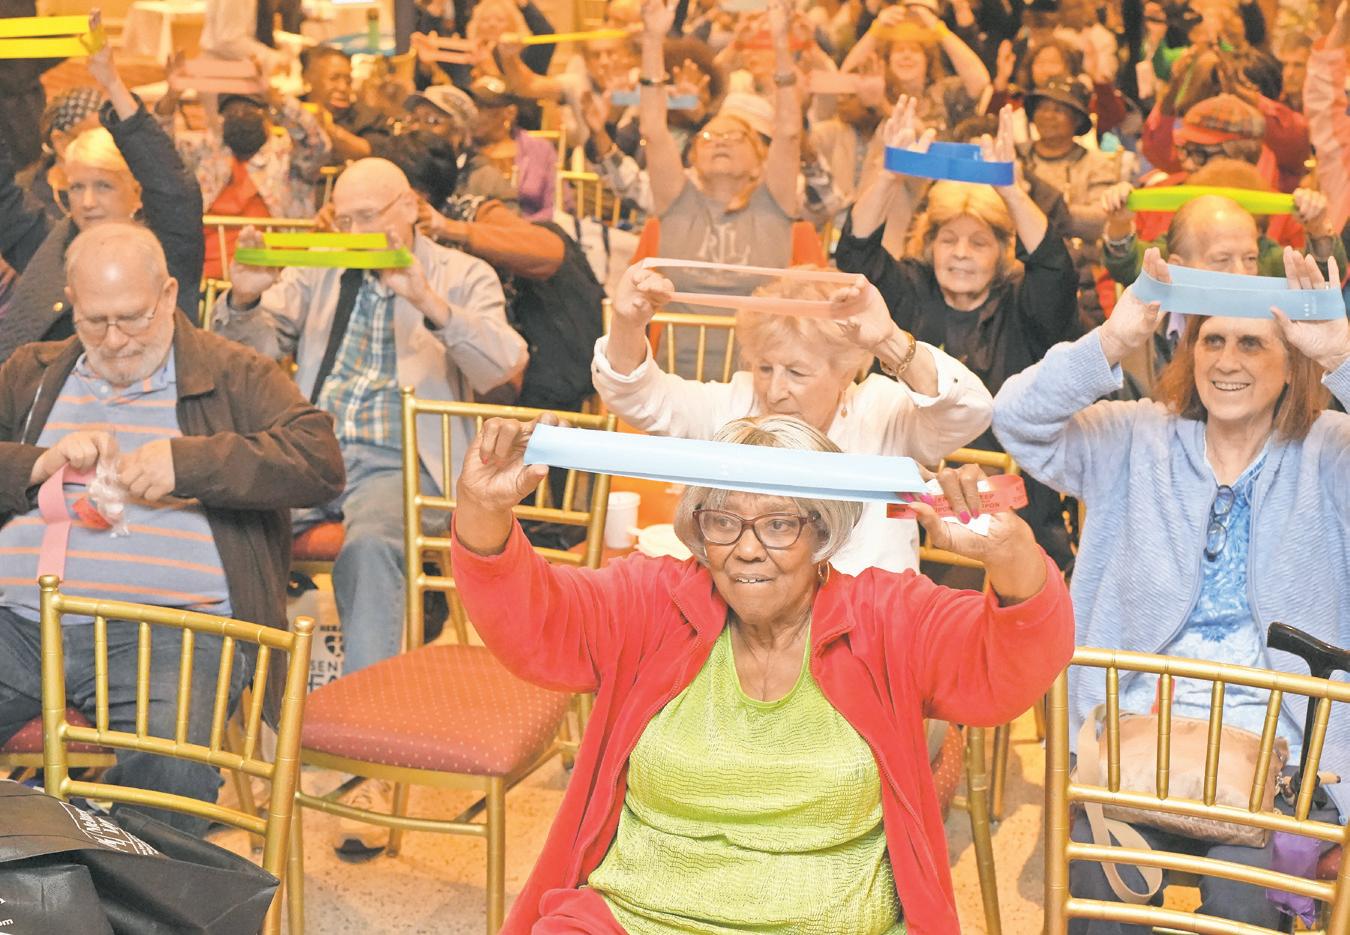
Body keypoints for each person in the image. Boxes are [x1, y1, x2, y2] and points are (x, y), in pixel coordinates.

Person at [450, 412, 1074, 934]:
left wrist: (1010, 556)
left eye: (779, 524)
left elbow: (1008, 671)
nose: (747, 548)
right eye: (724, 522)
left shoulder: (887, 617)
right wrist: (483, 507)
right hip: (637, 917)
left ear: (822, 530)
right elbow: (534, 621)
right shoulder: (652, 602)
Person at [992, 243, 1350, 932]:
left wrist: (1340, 353)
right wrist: (1112, 338)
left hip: (1281, 758)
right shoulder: (1137, 435)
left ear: (1292, 363)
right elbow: (1016, 421)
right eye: (1212, 340)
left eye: (1252, 343)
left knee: (1244, 904)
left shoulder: (1329, 449)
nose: (1226, 360)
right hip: (1131, 743)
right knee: (1100, 889)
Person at [212, 157, 526, 852]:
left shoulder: (461, 273)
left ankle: (369, 767)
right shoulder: (321, 270)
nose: (353, 231)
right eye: (343, 218)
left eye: (367, 218)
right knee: (226, 533)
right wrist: (245, 302)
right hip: (311, 453)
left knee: (373, 546)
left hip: (401, 461)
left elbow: (504, 365)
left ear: (408, 207)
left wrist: (428, 301)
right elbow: (247, 362)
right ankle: (246, 745)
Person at [0, 222, 344, 836]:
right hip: (19, 622)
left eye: (133, 318)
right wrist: (38, 464)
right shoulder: (34, 371)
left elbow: (319, 460)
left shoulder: (233, 372)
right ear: (71, 303)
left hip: (169, 628)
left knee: (171, 767)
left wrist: (189, 465)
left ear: (168, 295)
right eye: (95, 321)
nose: (115, 340)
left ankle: (121, 885)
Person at [594, 264, 994, 574]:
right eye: (765, 368)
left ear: (844, 372)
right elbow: (641, 398)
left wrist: (890, 340)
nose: (774, 391)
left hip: (870, 625)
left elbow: (970, 413)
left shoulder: (882, 410)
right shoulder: (737, 401)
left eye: (797, 373)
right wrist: (628, 323)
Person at [836, 98, 1079, 569]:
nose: (961, 253)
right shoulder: (910, 291)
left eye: (979, 242)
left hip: (1013, 506)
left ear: (1003, 251)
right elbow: (856, 254)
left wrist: (1009, 190)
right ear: (929, 244)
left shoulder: (1023, 305)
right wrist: (889, 175)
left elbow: (1054, 268)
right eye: (948, 239)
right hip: (909, 510)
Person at [0, 34, 204, 364]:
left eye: (104, 186)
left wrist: (112, 83)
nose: (88, 202)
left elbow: (171, 185)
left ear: (137, 193)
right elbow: (3, 201)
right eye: (76, 187)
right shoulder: (53, 244)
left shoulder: (168, 247)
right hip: (42, 395)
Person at [640, 0, 799, 267]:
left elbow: (789, 132)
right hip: (678, 298)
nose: (720, 143)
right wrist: (652, 40)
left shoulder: (774, 200)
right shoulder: (676, 197)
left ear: (759, 160)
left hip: (762, 298)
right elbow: (653, 130)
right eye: (708, 138)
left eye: (735, 136)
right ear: (692, 159)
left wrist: (781, 43)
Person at [156, 83, 332, 279]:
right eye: (231, 112)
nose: (240, 115)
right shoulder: (206, 153)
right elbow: (157, 150)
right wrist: (171, 97)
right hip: (205, 277)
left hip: (276, 276)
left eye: (249, 111)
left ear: (267, 115)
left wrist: (277, 100)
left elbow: (316, 143)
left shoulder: (288, 159)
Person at [1018, 78, 1130, 241]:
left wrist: (1041, 209)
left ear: (1077, 120)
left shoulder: (1097, 164)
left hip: (1074, 252)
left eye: (1058, 110)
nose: (1048, 115)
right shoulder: (1016, 155)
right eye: (1042, 108)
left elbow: (1101, 219)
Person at [466, 75, 557, 222]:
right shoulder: (463, 149)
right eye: (471, 107)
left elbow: (556, 205)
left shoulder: (539, 150)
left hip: (531, 229)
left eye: (483, 107)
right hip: (472, 228)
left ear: (509, 112)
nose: (474, 114)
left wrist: (520, 227)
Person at [302, 46, 395, 162]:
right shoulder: (289, 111)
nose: (343, 87)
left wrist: (328, 129)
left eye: (348, 81)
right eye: (334, 78)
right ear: (307, 78)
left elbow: (372, 153)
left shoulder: (367, 117)